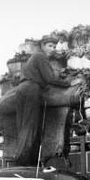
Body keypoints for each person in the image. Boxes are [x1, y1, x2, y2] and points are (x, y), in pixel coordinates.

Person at [11, 35, 70, 164]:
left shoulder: (35, 58)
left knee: (23, 125)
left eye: (54, 46)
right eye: (50, 46)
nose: (53, 49)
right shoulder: (40, 56)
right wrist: (67, 83)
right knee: (30, 126)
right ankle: (24, 161)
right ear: (42, 46)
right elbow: (50, 78)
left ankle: (23, 159)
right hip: (31, 90)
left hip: (22, 90)